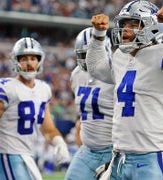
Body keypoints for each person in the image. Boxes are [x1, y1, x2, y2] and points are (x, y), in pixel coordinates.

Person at [86, 1, 163, 179]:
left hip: (151, 157)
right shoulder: (121, 56)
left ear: (151, 27)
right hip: (119, 157)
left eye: (133, 24)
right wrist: (98, 35)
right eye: (124, 24)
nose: (126, 30)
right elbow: (95, 68)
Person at [0, 37, 70, 180]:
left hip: (27, 157)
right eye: (23, 59)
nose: (29, 63)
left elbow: (48, 129)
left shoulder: (44, 89)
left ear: (39, 61)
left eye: (33, 58)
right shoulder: (5, 88)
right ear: (16, 61)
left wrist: (59, 143)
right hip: (7, 157)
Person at [65, 27, 115, 180]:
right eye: (85, 54)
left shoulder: (115, 72)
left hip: (113, 150)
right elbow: (82, 117)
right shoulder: (77, 75)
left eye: (93, 54)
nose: (89, 59)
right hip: (88, 151)